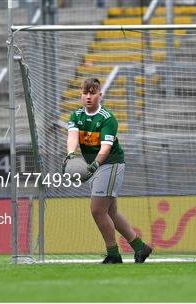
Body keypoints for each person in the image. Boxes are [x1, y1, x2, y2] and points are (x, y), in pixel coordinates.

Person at [62, 78, 152, 264]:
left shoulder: (107, 117)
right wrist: (71, 154)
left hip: (110, 164)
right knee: (110, 212)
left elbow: (106, 147)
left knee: (97, 210)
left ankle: (113, 254)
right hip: (93, 166)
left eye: (92, 93)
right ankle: (140, 247)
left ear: (100, 95)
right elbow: (72, 136)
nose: (88, 96)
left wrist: (95, 165)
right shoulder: (76, 115)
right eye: (85, 93)